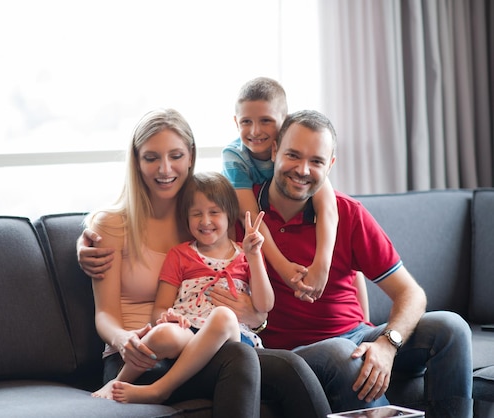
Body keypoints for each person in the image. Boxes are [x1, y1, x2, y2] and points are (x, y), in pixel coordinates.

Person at [78, 109, 333, 417]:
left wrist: (255, 315)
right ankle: (156, 386)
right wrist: (124, 340)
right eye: (151, 158)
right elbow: (105, 314)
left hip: (202, 345)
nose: (165, 169)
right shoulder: (111, 225)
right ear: (136, 160)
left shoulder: (203, 221)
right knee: (239, 358)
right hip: (138, 355)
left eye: (176, 155)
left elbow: (307, 177)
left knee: (291, 366)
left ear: (191, 157)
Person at [234, 109, 472, 412]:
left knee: (451, 328)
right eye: (293, 155)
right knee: (343, 354)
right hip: (291, 353)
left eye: (317, 161)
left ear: (330, 165)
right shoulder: (241, 213)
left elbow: (410, 294)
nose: (303, 170)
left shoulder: (347, 213)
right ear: (275, 150)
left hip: (357, 335)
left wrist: (387, 344)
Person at [95, 171, 273, 404]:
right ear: (186, 217)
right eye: (196, 214)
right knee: (162, 334)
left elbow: (265, 305)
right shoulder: (180, 254)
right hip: (190, 333)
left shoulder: (245, 254)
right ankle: (118, 380)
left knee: (223, 316)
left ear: (229, 215)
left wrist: (254, 256)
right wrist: (168, 317)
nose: (205, 221)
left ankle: (161, 389)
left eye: (214, 213)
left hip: (231, 337)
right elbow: (160, 308)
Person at [222, 77, 369, 319]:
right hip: (253, 214)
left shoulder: (300, 156)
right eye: (246, 122)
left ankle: (365, 322)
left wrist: (322, 266)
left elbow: (328, 207)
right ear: (235, 122)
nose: (255, 131)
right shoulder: (235, 156)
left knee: (350, 258)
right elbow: (251, 219)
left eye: (266, 121)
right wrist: (283, 267)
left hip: (299, 212)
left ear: (283, 123)